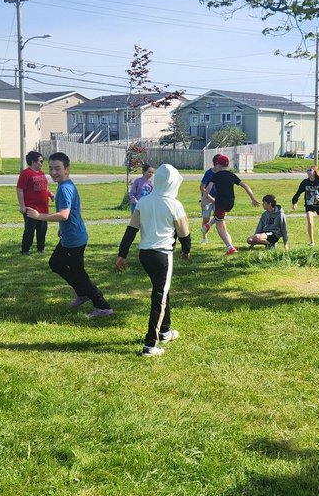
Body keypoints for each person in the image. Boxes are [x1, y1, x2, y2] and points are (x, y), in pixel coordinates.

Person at [116, 163, 192, 356]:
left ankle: (165, 330)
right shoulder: (175, 204)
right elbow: (184, 234)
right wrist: (186, 251)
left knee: (163, 291)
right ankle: (151, 344)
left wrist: (122, 255)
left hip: (145, 255)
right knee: (159, 296)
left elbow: (130, 230)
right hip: (163, 255)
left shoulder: (144, 202)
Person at [24, 152, 113, 317]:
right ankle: (82, 293)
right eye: (50, 168)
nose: (53, 172)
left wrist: (39, 216)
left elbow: (64, 214)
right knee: (56, 263)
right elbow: (76, 208)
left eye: (57, 168)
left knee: (79, 275)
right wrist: (62, 227)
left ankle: (103, 307)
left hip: (74, 239)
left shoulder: (65, 188)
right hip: (70, 235)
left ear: (67, 169)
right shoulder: (67, 185)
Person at [206, 153, 260, 255]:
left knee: (219, 226)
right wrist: (253, 198)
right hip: (230, 203)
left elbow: (208, 188)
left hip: (220, 202)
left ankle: (230, 247)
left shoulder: (216, 175)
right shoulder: (232, 175)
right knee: (219, 217)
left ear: (219, 166)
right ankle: (207, 225)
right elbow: (245, 186)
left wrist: (204, 199)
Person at [16, 150, 53, 255]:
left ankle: (41, 249)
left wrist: (50, 194)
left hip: (43, 208)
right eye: (41, 161)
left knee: (42, 229)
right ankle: (25, 250)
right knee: (30, 230)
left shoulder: (41, 173)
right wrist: (22, 206)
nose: (42, 163)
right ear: (33, 162)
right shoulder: (26, 173)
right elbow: (19, 189)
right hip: (31, 208)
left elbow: (44, 187)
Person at [292, 166, 319, 245]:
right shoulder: (305, 182)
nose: (308, 172)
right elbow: (298, 193)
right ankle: (312, 241)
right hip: (309, 205)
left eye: (310, 170)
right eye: (307, 170)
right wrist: (294, 202)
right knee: (310, 222)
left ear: (314, 172)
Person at [198, 154, 226, 244]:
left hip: (218, 199)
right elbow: (202, 187)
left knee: (221, 218)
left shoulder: (222, 173)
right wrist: (210, 199)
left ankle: (225, 237)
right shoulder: (209, 173)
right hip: (207, 198)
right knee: (206, 218)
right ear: (216, 163)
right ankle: (204, 238)